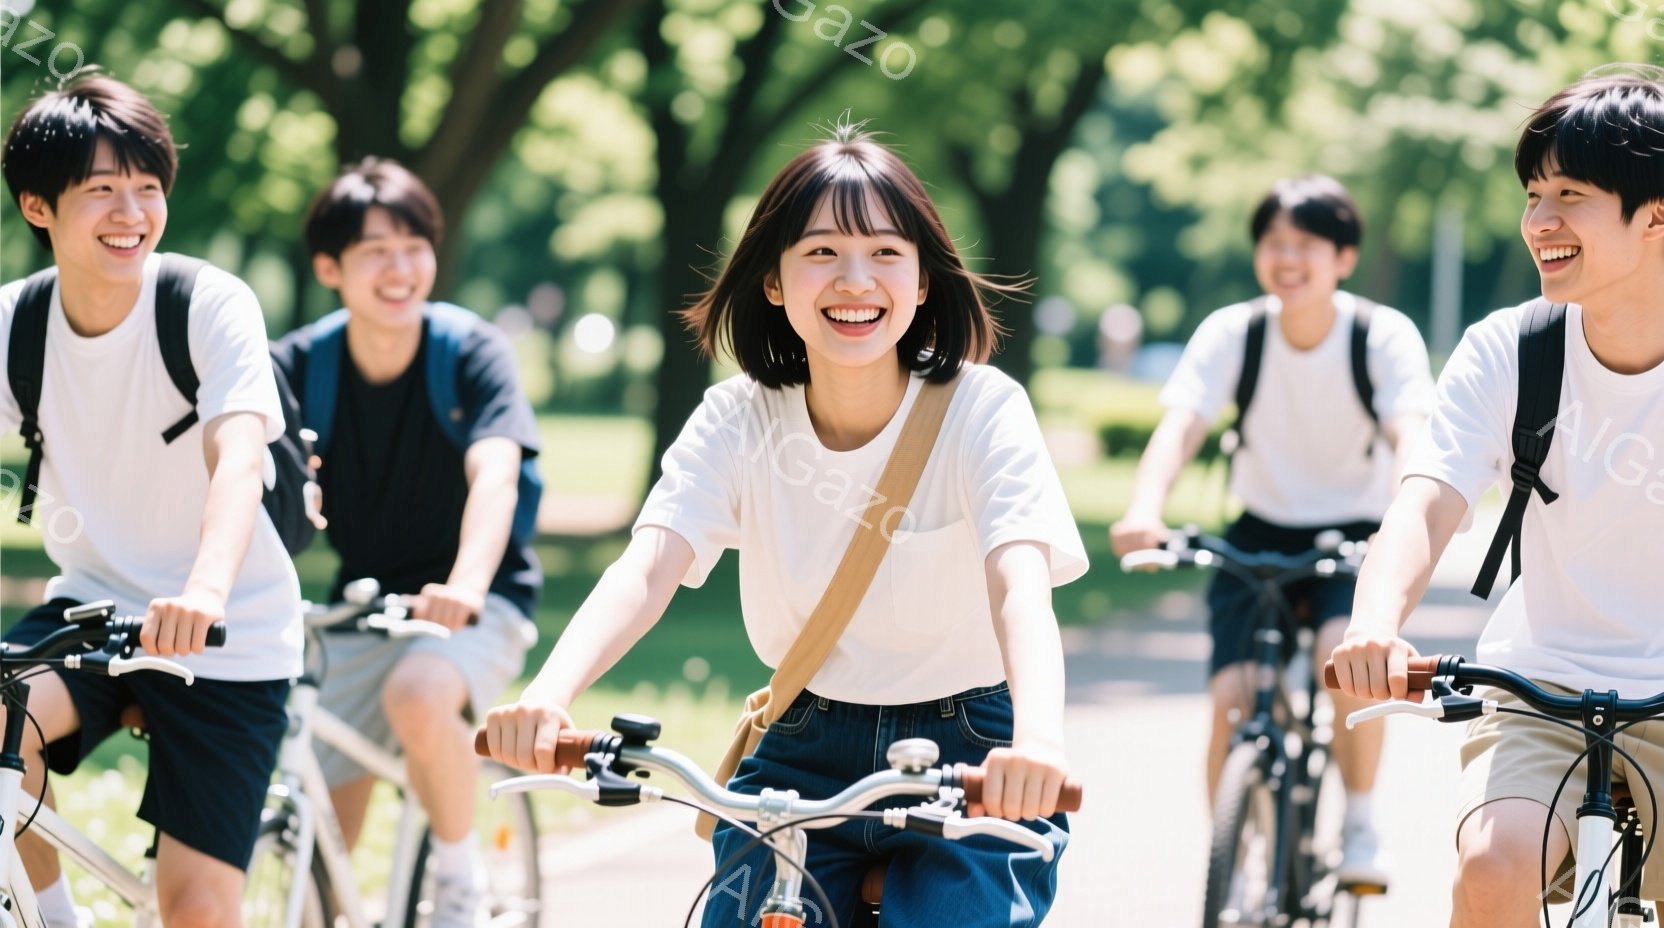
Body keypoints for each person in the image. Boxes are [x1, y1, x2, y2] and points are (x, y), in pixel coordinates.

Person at [483, 124, 1085, 926]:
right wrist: (549, 696)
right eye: (822, 252)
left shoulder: (982, 409)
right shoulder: (736, 417)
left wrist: (1038, 743)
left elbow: (1020, 588)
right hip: (804, 743)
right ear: (773, 279)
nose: (854, 280)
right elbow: (650, 565)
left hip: (973, 746)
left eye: (884, 253)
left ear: (922, 279)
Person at [1330, 67, 1664, 927]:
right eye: (1532, 195)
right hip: (1541, 681)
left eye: (1571, 195)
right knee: (1490, 866)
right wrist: (1375, 621)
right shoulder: (1513, 349)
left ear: (1656, 214)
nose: (1539, 222)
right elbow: (1430, 496)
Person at [0, 75, 301, 927]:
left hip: (228, 633)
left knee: (196, 909)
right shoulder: (14, 325)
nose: (130, 211)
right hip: (90, 612)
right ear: (37, 207)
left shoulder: (205, 303)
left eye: (146, 187)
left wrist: (204, 592)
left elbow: (239, 459)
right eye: (100, 190)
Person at [1110, 175, 1435, 886]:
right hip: (1256, 531)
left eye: (1306, 244)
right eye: (1273, 243)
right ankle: (1238, 857)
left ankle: (1358, 821)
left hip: (1353, 534)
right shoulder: (1236, 331)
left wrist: (1402, 523)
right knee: (1233, 700)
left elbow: (1410, 432)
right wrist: (1144, 507)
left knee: (1343, 657)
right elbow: (1184, 423)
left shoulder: (1380, 335)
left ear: (1344, 257)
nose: (1287, 259)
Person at [270, 157, 541, 927]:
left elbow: (497, 474)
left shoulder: (470, 352)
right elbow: (247, 480)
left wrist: (466, 583)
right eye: (376, 250)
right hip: (359, 606)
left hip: (475, 600)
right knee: (321, 836)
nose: (402, 267)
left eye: (415, 244)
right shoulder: (295, 367)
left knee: (419, 696)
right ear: (330, 267)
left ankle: (461, 882)